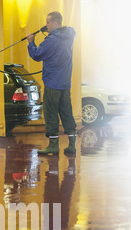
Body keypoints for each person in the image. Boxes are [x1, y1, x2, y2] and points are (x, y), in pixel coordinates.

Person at [27, 11, 77, 156]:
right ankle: (72, 145)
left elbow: (37, 55)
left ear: (55, 23)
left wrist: (31, 43)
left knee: (51, 114)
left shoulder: (52, 40)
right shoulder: (70, 35)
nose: (46, 25)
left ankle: (53, 146)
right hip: (65, 83)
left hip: (52, 83)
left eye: (48, 22)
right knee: (67, 113)